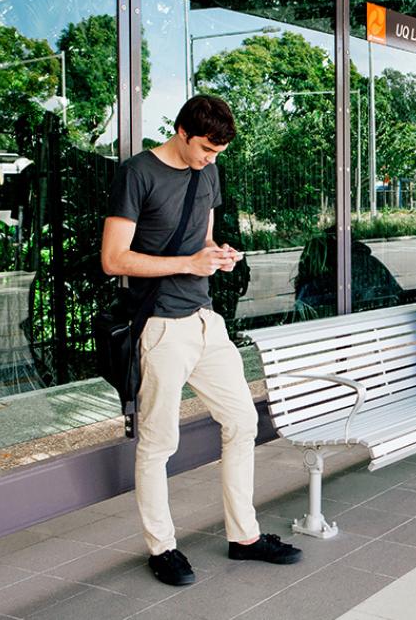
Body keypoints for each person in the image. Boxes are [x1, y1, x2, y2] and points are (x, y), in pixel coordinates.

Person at [101, 95, 302, 587]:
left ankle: (244, 537)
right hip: (161, 325)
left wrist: (218, 256)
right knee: (158, 441)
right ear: (183, 133)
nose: (212, 160)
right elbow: (114, 259)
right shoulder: (137, 174)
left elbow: (202, 244)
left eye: (218, 153)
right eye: (206, 149)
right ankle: (162, 547)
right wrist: (185, 264)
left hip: (205, 320)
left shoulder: (208, 172)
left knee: (240, 420)